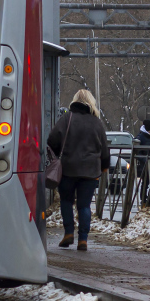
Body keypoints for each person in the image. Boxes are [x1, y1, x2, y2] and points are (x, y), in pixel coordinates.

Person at [46, 89, 110, 252]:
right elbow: (104, 149)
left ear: (75, 101)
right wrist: (104, 167)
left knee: (66, 201)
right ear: (91, 102)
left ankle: (68, 233)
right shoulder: (97, 122)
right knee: (84, 206)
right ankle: (83, 239)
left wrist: (59, 153)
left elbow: (52, 140)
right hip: (90, 171)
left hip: (68, 168)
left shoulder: (67, 118)